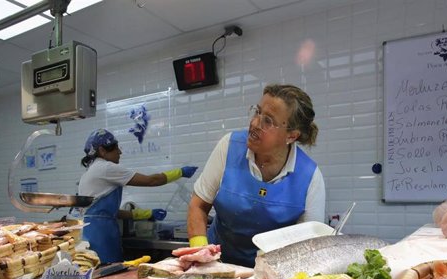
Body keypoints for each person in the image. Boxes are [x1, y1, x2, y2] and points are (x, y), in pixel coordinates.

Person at [187, 83, 325, 267]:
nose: (254, 123)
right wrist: (201, 254)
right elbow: (198, 205)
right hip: (218, 266)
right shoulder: (229, 146)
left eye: (268, 120)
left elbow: (310, 245)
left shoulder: (310, 176)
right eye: (257, 112)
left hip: (273, 274)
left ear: (291, 136)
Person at [78, 128, 197, 264]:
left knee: (100, 274)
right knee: (108, 273)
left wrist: (147, 214)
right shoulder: (105, 168)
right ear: (102, 150)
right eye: (116, 148)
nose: (120, 152)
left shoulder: (89, 172)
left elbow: (112, 212)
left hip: (93, 231)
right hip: (102, 235)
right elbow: (152, 180)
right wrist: (180, 172)